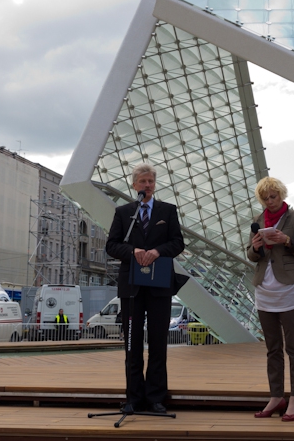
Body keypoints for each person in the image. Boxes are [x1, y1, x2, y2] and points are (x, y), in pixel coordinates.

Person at [106, 163, 185, 413]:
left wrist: (157, 251)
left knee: (159, 343)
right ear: (134, 185)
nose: (147, 185)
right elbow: (112, 245)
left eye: (150, 181)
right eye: (142, 181)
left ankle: (156, 397)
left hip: (159, 286)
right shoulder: (123, 213)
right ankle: (133, 397)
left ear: (155, 184)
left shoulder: (167, 211)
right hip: (132, 287)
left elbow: (177, 243)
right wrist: (134, 251)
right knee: (132, 344)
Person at [246, 176, 294, 422]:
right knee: (272, 349)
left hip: (288, 291)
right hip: (264, 290)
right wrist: (255, 246)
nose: (269, 201)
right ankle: (276, 396)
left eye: (273, 196)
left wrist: (286, 240)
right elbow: (253, 256)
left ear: (281, 194)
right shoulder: (257, 221)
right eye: (265, 198)